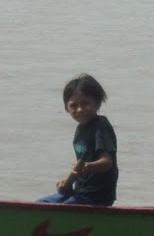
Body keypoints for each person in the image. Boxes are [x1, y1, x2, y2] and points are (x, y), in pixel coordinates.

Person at [37, 74, 118, 205]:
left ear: (97, 103)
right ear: (66, 108)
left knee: (57, 209)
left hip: (97, 195)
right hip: (80, 191)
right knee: (41, 203)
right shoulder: (80, 129)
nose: (79, 110)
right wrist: (67, 180)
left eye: (85, 103)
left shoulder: (100, 126)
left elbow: (107, 162)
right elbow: (80, 165)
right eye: (73, 105)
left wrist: (88, 167)